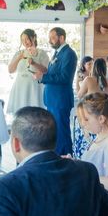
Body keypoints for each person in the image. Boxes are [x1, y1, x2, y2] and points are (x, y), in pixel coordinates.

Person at [32, 27, 77, 156]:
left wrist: (43, 77)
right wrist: (42, 74)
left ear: (61, 38)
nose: (50, 41)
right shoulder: (57, 53)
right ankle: (57, 157)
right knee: (55, 131)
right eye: (49, 38)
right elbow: (53, 73)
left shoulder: (69, 54)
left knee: (62, 132)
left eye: (52, 37)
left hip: (60, 99)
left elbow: (64, 78)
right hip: (52, 99)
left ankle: (67, 159)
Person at [6, 29, 49, 114]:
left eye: (27, 39)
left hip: (33, 86)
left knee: (34, 113)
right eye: (22, 40)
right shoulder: (19, 53)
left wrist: (34, 63)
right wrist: (19, 57)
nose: (25, 42)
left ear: (33, 38)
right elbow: (10, 70)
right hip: (20, 86)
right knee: (20, 113)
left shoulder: (41, 53)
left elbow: (46, 70)